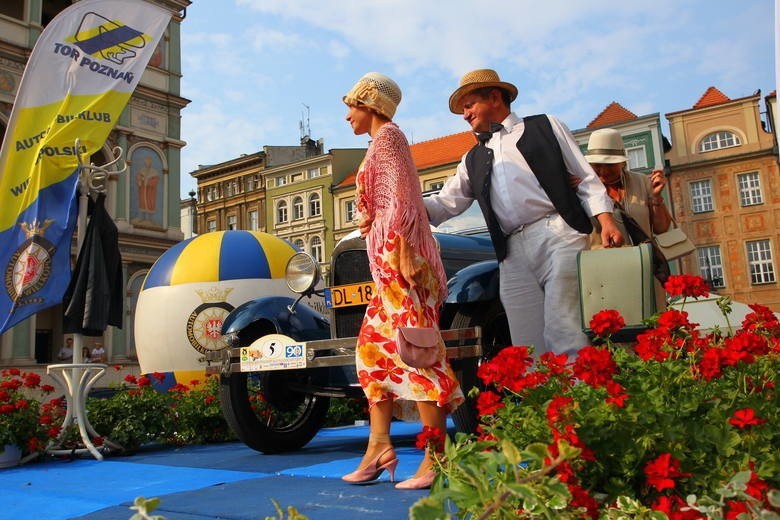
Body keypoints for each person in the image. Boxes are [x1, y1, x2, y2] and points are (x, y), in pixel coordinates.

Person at [423, 69, 624, 359]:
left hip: (558, 233)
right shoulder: (472, 158)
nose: (464, 115)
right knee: (525, 342)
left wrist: (605, 220)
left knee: (563, 326)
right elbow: (445, 204)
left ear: (494, 97)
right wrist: (402, 204)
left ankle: (577, 402)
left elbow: (585, 177)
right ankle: (541, 402)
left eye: (469, 106)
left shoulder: (546, 126)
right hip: (511, 250)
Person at [341, 72, 464, 490]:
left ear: (370, 103)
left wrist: (407, 249)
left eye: (351, 106)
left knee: (419, 352)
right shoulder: (380, 143)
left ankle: (437, 455)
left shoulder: (389, 137)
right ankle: (378, 446)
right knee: (372, 354)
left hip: (402, 262)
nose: (347, 116)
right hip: (390, 264)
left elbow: (405, 200)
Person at [584, 128, 673, 307]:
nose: (603, 171)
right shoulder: (583, 188)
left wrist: (656, 197)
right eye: (596, 165)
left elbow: (661, 228)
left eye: (609, 165)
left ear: (622, 163)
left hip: (644, 269)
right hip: (603, 274)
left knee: (649, 323)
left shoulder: (642, 182)